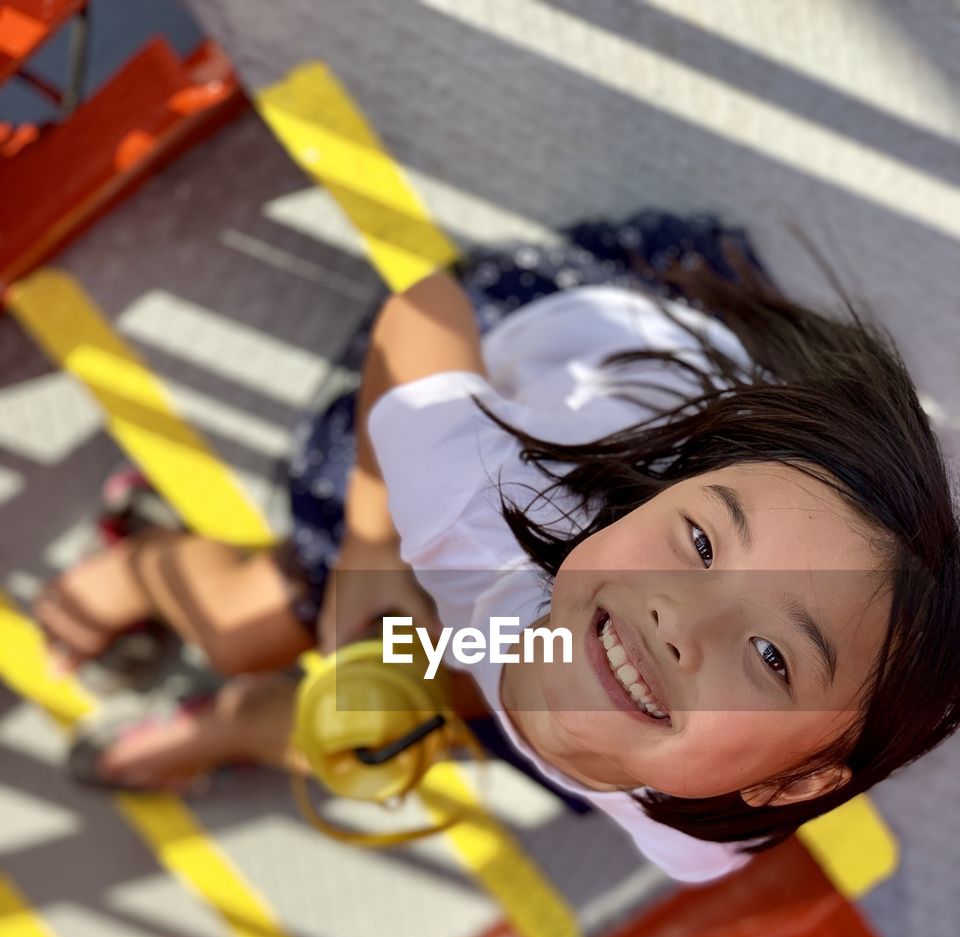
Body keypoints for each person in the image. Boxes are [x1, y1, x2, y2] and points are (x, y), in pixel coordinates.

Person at [35, 212, 960, 881]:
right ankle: (143, 559)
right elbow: (424, 314)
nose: (682, 618)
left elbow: (527, 684)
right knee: (255, 624)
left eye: (770, 655)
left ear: (794, 781)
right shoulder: (478, 509)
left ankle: (238, 719)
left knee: (401, 717)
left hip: (543, 627)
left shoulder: (700, 834)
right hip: (542, 342)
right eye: (701, 541)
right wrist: (368, 544)